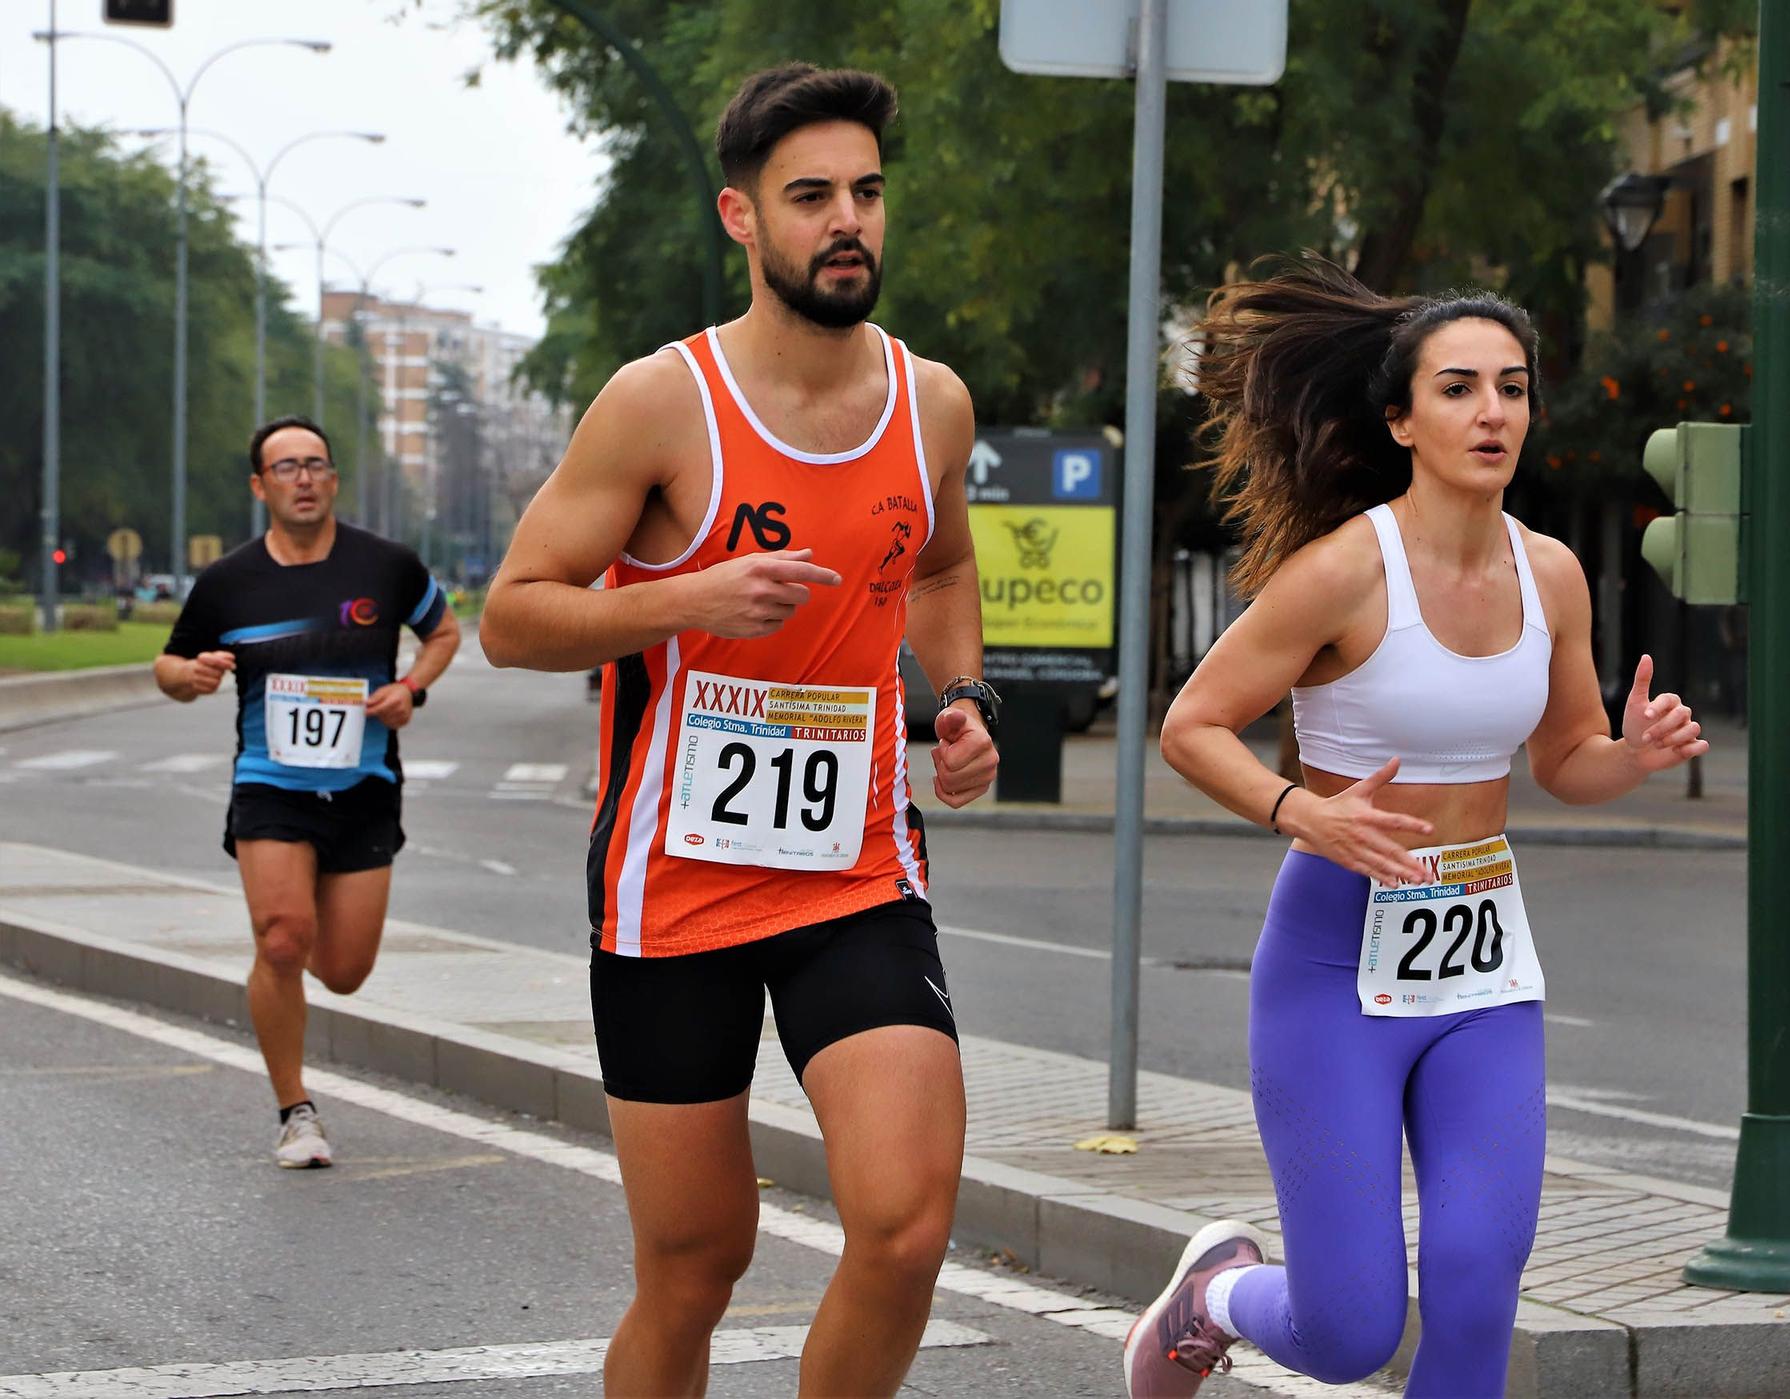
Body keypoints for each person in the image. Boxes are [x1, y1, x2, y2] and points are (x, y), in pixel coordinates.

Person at [479, 64, 999, 1399]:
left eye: (868, 194)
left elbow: (938, 568)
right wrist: (684, 595)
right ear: (740, 217)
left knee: (906, 1222)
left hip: (855, 865)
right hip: (677, 883)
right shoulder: (663, 401)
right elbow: (514, 618)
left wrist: (963, 697)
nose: (848, 222)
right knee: (699, 1264)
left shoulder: (929, 400)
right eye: (811, 195)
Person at [1123, 256, 1706, 1398]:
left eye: (1512, 386)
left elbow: (1562, 763)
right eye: (1456, 388)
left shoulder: (1550, 574)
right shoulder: (1339, 574)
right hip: (1333, 957)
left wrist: (1630, 757)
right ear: (1399, 417)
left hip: (1480, 960)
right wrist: (1305, 814)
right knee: (1347, 1330)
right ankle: (1213, 1297)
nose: (1491, 411)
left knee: (1478, 1281)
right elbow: (1191, 727)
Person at [154, 415, 460, 1167]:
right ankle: (296, 1110)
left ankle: (296, 952)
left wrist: (410, 689)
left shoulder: (386, 566)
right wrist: (189, 679)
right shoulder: (230, 581)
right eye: (285, 467)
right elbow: (168, 663)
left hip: (364, 786)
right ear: (261, 485)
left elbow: (445, 633)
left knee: (347, 969)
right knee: (282, 937)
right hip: (270, 784)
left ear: (332, 479)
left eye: (315, 464)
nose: (302, 478)